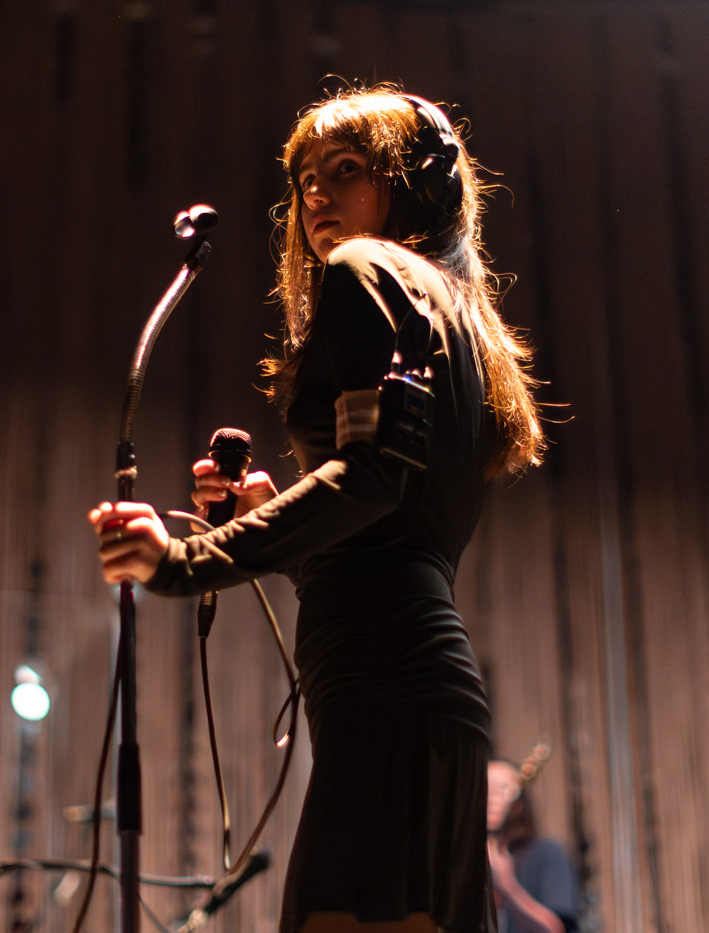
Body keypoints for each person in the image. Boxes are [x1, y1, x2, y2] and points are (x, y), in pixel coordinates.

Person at [89, 85, 544, 933]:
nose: (317, 198)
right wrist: (275, 517)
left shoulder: (364, 269)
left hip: (384, 684)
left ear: (414, 183)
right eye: (303, 182)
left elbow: (371, 477)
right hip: (423, 686)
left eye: (346, 170)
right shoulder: (462, 321)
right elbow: (389, 516)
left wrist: (185, 562)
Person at [486, 760, 579, 933]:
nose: (491, 797)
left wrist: (507, 884)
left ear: (518, 803)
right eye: (485, 789)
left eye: (502, 789)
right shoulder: (469, 861)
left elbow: (554, 929)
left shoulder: (546, 853)